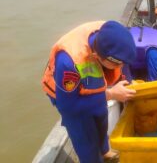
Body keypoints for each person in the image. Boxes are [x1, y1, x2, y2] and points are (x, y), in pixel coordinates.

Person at [41, 21, 137, 163]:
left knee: (101, 117)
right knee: (85, 137)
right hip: (67, 96)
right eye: (118, 64)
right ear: (99, 57)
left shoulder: (108, 34)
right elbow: (69, 106)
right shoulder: (68, 62)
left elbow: (123, 61)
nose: (121, 66)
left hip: (92, 88)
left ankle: (105, 152)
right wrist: (110, 94)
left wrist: (128, 81)